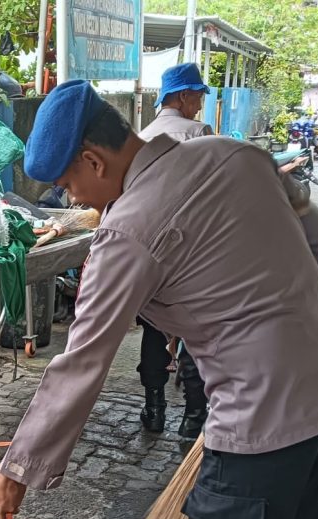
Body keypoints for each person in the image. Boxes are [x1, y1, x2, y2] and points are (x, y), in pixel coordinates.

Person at [0, 80, 318, 519]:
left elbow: (83, 359)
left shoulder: (128, 231)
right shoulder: (235, 154)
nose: (72, 197)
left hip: (260, 420)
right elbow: (316, 241)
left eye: (69, 185)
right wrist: (263, 310)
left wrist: (18, 469)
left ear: (93, 160)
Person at [135, 63, 213, 438]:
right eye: (197, 96)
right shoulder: (199, 134)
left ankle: (154, 409)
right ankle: (193, 417)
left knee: (154, 328)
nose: (199, 103)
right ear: (183, 96)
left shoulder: (143, 135)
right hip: (194, 253)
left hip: (151, 253)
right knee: (196, 333)